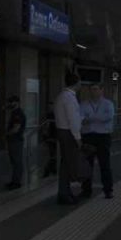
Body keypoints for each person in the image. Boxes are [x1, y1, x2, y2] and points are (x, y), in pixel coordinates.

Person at [79, 83, 116, 199]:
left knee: (104, 164)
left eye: (95, 89)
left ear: (101, 90)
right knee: (87, 165)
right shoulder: (84, 104)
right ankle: (86, 190)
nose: (93, 92)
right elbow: (80, 118)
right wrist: (97, 118)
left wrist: (89, 118)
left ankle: (108, 190)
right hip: (88, 137)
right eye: (91, 89)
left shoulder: (108, 104)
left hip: (103, 137)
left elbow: (108, 117)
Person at [54, 72, 82, 205]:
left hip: (62, 131)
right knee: (71, 165)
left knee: (65, 164)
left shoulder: (61, 96)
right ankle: (67, 194)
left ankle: (63, 192)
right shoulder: (69, 98)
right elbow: (73, 119)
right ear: (76, 83)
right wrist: (77, 137)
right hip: (68, 133)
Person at [4, 95, 26, 190]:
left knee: (17, 162)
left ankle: (16, 182)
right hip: (14, 140)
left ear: (16, 102)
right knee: (14, 161)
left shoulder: (18, 113)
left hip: (16, 140)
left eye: (11, 102)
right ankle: (14, 181)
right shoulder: (14, 112)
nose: (9, 104)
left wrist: (7, 134)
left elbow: (16, 128)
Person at [42, 102, 58, 177]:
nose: (50, 108)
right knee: (52, 154)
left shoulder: (56, 114)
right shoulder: (49, 115)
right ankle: (50, 169)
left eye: (51, 106)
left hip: (55, 136)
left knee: (53, 154)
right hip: (51, 137)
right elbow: (46, 126)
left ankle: (51, 169)